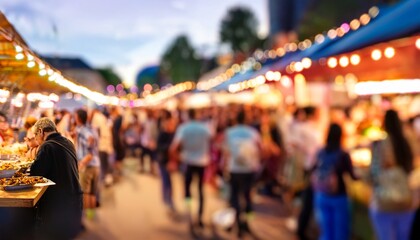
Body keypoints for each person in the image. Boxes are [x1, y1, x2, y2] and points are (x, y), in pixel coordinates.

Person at [30, 117, 83, 239]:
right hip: (75, 199)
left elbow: (35, 173)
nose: (36, 140)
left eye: (35, 135)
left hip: (58, 205)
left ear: (41, 132)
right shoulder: (68, 142)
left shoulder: (47, 146)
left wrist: (35, 150)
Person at [369, 109, 415, 240]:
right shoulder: (407, 142)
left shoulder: (379, 145)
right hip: (406, 200)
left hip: (384, 202)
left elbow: (374, 173)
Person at [170, 108, 212, 234]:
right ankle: (200, 216)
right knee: (200, 190)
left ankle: (189, 214)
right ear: (197, 115)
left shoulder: (184, 128)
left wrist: (178, 159)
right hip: (202, 162)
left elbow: (173, 148)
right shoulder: (205, 128)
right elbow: (212, 142)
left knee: (187, 190)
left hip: (188, 162)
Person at [312, 123, 358, 240]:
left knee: (326, 231)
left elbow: (313, 169)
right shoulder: (343, 154)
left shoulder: (321, 152)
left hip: (321, 194)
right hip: (338, 197)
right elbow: (352, 176)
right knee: (340, 233)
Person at [223, 110, 262, 238]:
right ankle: (247, 222)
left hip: (234, 169)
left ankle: (238, 222)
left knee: (235, 197)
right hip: (249, 169)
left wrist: (225, 167)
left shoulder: (230, 132)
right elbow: (261, 150)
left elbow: (226, 152)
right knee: (247, 196)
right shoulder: (253, 133)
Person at [75, 108, 101, 220]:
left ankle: (84, 218)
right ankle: (91, 216)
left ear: (78, 118)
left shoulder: (83, 130)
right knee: (92, 193)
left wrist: (82, 163)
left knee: (85, 192)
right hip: (96, 164)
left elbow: (90, 140)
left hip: (88, 165)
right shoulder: (92, 128)